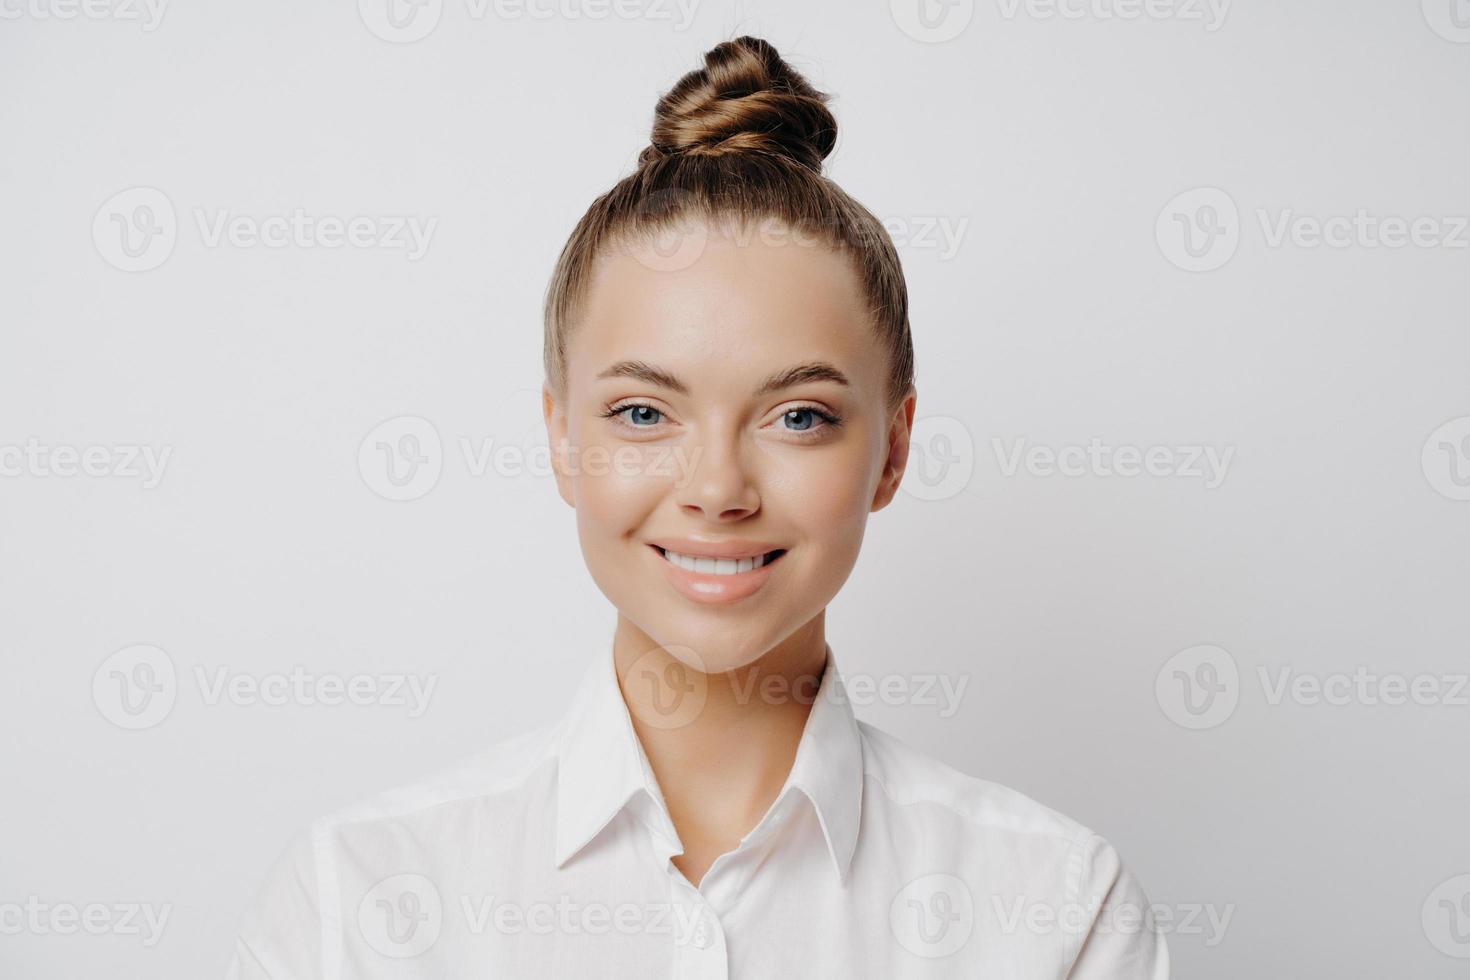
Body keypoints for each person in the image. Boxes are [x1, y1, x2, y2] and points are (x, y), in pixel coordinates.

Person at [226, 34, 1169, 978]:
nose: (718, 489)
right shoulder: (355, 904)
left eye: (798, 416)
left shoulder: (1055, 911)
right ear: (562, 439)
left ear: (894, 449)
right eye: (643, 413)